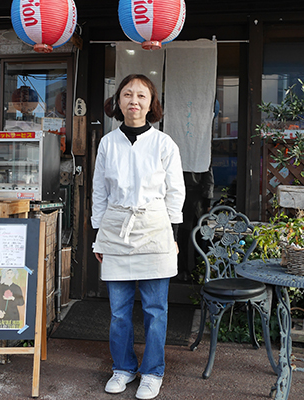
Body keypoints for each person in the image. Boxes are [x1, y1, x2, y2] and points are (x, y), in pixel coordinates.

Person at [92, 74, 186, 400]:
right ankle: (123, 367)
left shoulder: (164, 144)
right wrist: (98, 236)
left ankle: (152, 371)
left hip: (155, 229)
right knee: (118, 310)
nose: (134, 100)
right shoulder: (107, 143)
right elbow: (99, 192)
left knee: (155, 309)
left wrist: (173, 234)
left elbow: (175, 192)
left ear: (151, 103)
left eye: (141, 95)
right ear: (118, 101)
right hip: (116, 228)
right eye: (128, 94)